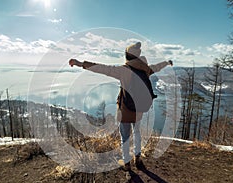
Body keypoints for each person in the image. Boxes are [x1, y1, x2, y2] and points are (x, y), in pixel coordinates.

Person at [69, 42, 173, 171]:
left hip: (125, 109)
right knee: (137, 133)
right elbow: (157, 67)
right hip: (138, 110)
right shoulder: (145, 70)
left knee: (125, 137)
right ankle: (138, 157)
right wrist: (167, 62)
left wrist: (80, 63)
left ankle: (127, 162)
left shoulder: (124, 70)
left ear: (127, 56)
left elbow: (102, 68)